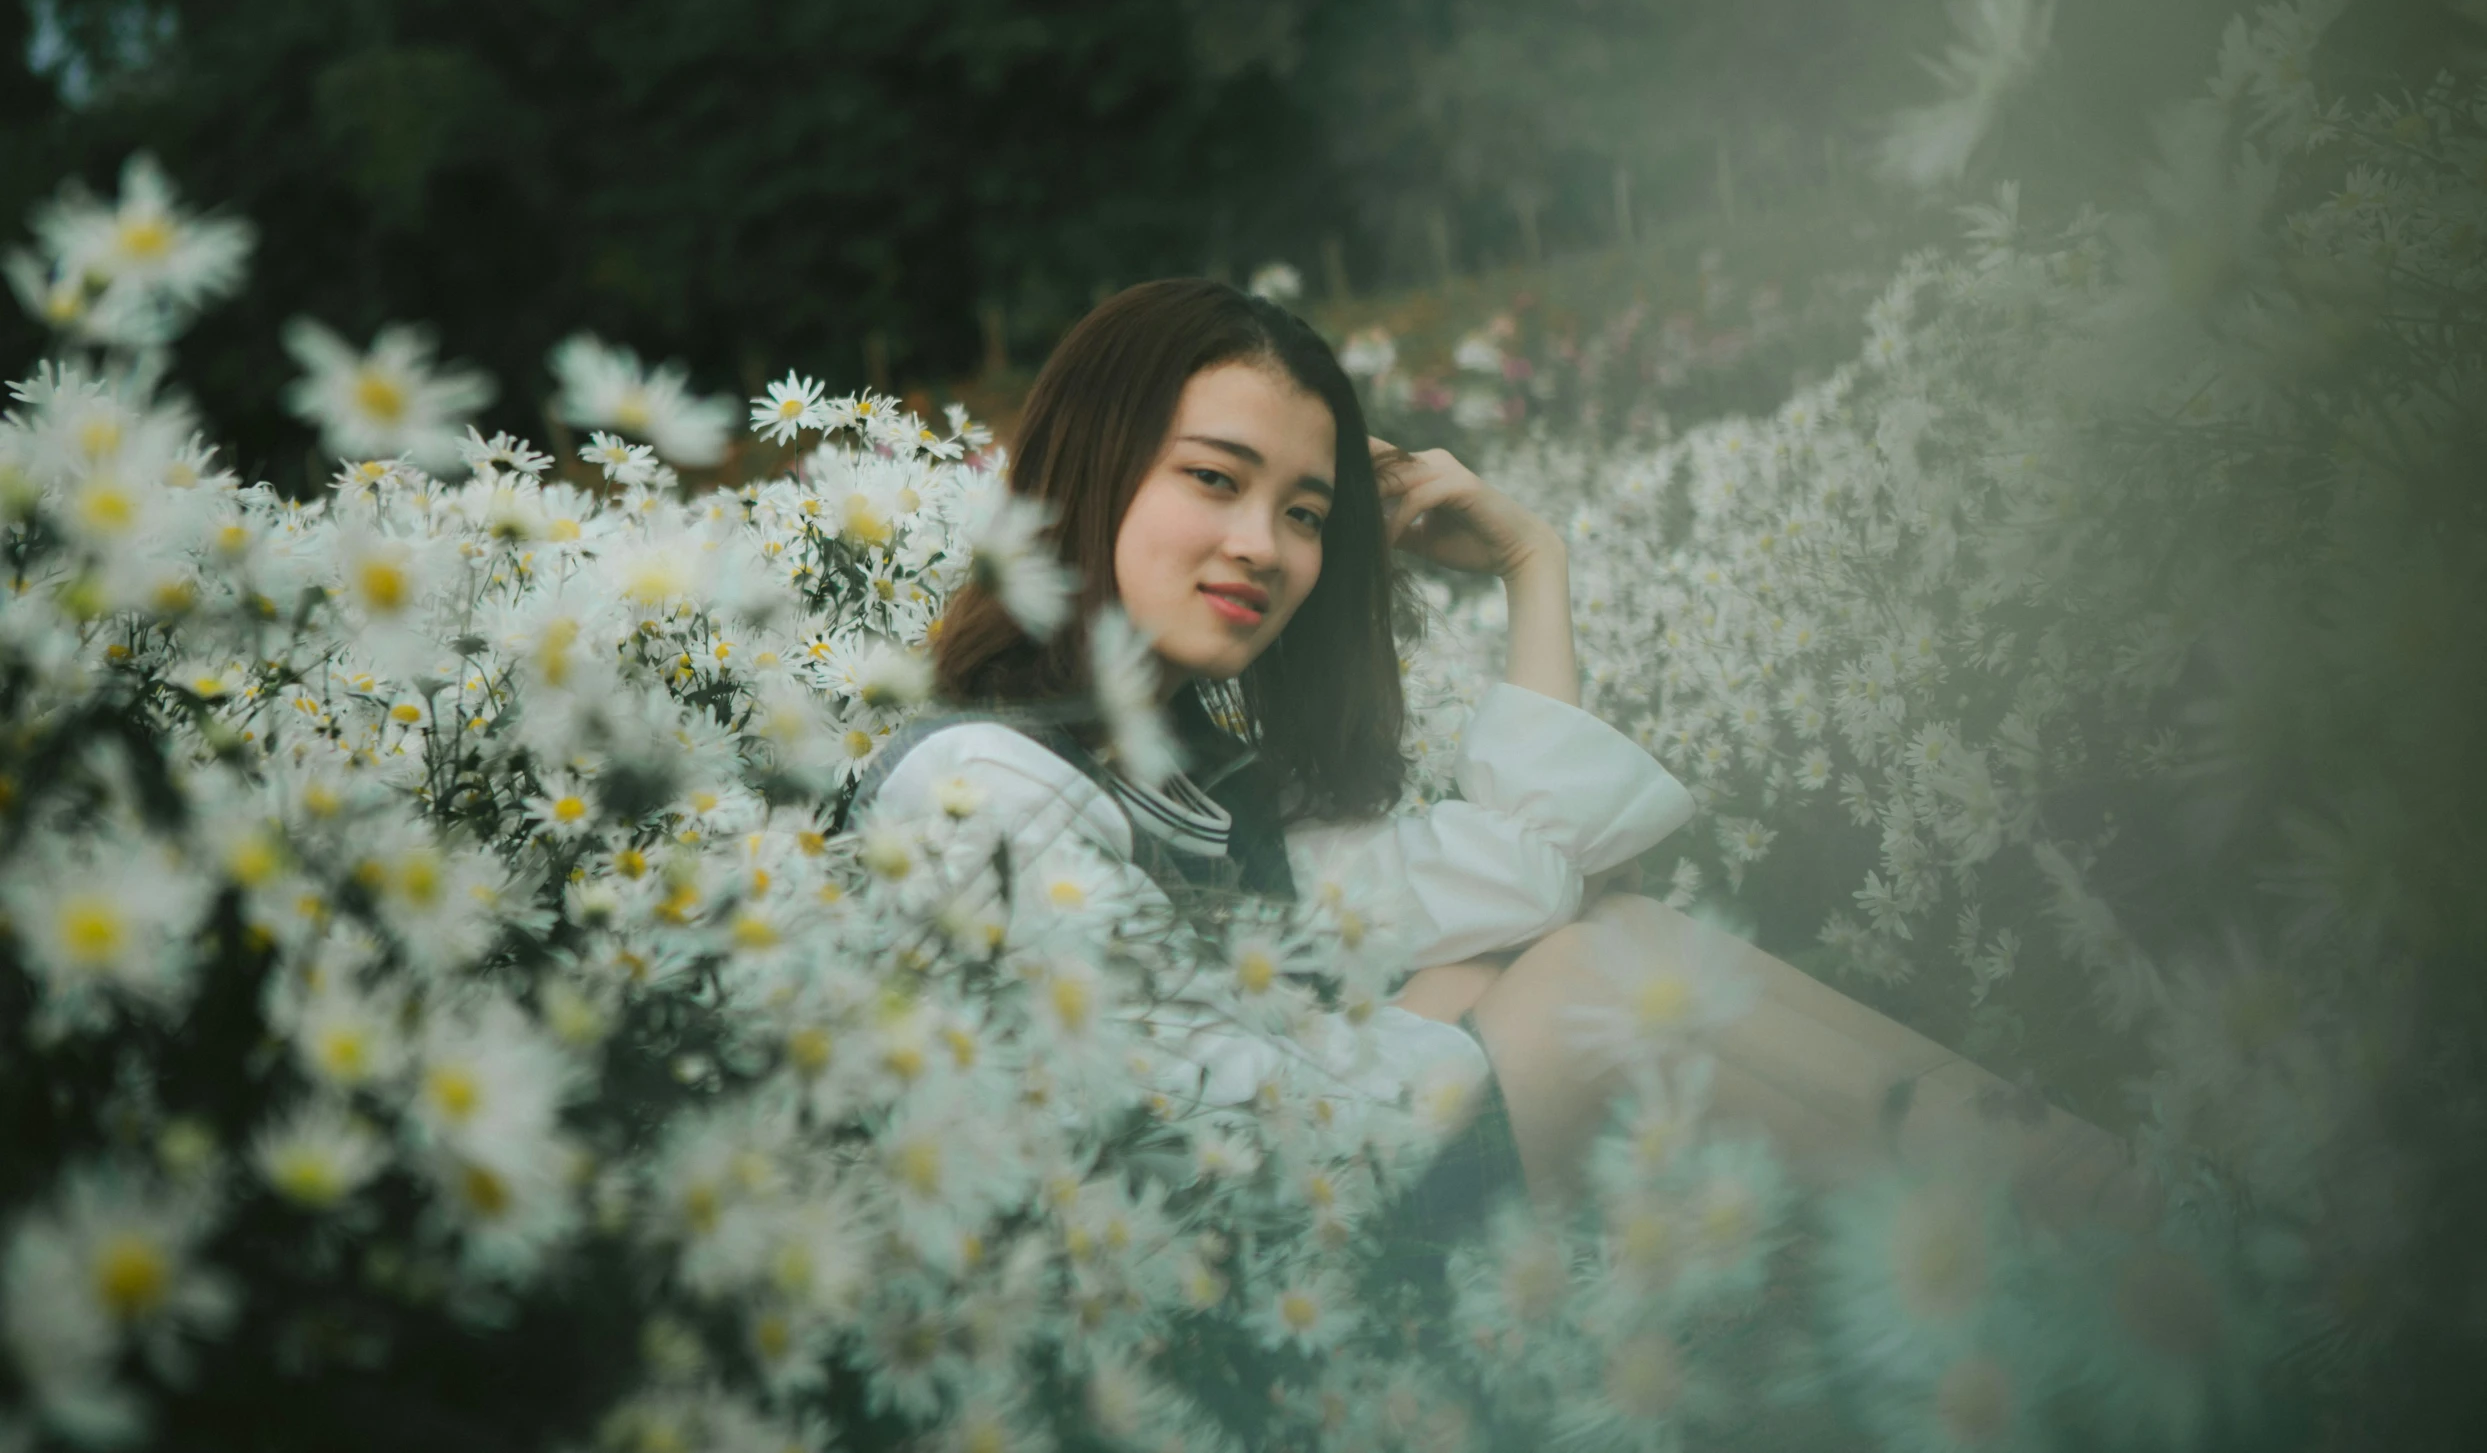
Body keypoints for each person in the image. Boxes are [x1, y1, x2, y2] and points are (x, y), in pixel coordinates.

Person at [850, 278, 2149, 1256]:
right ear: (1088, 471)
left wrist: (1538, 562)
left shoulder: (1190, 780)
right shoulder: (979, 784)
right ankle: (2146, 1246)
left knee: (1601, 933)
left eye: (1305, 512)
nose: (1262, 543)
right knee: (1584, 974)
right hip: (1234, 1299)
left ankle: (2124, 1215)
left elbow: (1535, 867)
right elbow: (1198, 1149)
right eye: (1213, 479)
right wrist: (1474, 1011)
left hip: (1316, 1199)